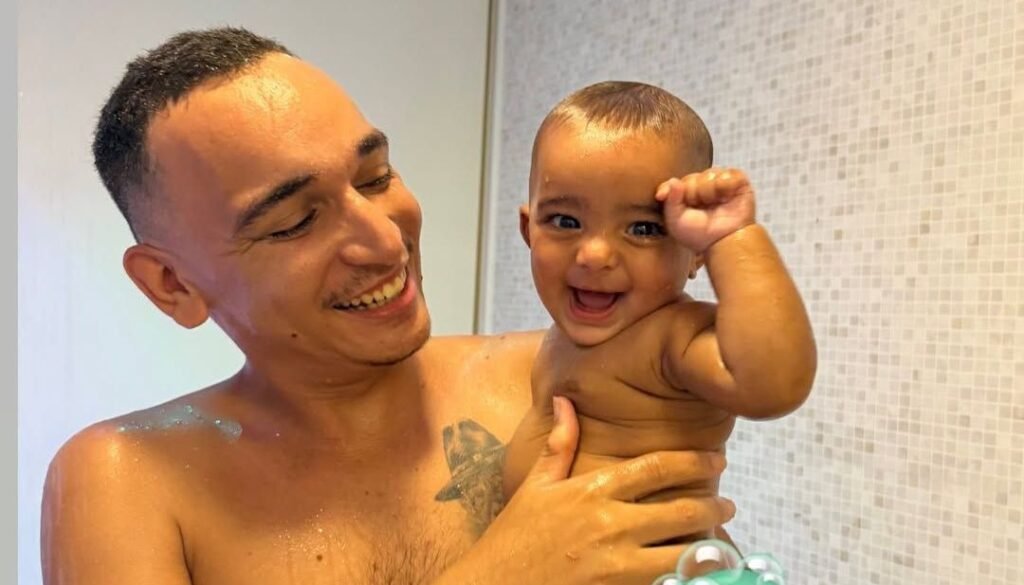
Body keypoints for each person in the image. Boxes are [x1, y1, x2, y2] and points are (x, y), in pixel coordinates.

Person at [40, 28, 737, 585]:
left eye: (375, 177)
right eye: (295, 221)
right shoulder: (129, 481)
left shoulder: (570, 379)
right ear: (172, 284)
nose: (384, 240)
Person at [502, 82, 817, 544]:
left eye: (644, 229)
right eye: (566, 221)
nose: (594, 255)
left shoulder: (673, 338)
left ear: (695, 253)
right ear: (529, 230)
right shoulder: (559, 338)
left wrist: (734, 239)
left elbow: (774, 384)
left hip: (654, 569)